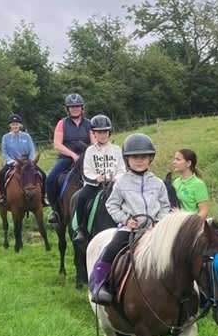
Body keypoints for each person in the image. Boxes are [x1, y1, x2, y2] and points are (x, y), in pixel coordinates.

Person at [88, 133, 173, 305]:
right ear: (127, 159)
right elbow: (112, 205)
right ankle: (98, 284)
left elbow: (165, 206)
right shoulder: (121, 183)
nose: (139, 160)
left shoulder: (158, 183)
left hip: (154, 231)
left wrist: (159, 221)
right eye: (134, 157)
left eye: (143, 157)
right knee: (111, 248)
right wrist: (126, 220)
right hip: (130, 230)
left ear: (150, 158)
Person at [70, 114, 124, 244]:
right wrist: (96, 178)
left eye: (105, 132)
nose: (103, 135)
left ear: (109, 132)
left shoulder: (116, 149)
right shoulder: (90, 151)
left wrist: (116, 178)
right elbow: (87, 171)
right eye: (99, 132)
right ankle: (81, 229)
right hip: (94, 185)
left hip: (114, 184)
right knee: (81, 198)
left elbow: (122, 169)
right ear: (94, 133)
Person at [45, 92, 91, 215]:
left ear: (82, 108)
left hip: (86, 159)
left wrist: (85, 155)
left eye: (77, 106)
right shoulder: (62, 123)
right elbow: (57, 144)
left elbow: (94, 143)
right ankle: (55, 210)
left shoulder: (89, 124)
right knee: (50, 179)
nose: (75, 109)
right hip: (66, 158)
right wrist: (72, 155)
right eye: (72, 107)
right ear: (68, 109)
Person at [0, 114, 38, 206]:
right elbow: (4, 153)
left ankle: (43, 197)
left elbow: (32, 150)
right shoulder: (5, 137)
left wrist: (30, 162)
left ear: (20, 125)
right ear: (10, 126)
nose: (15, 126)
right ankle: (3, 197)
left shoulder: (27, 136)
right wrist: (12, 162)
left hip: (27, 163)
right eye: (13, 124)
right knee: (1, 174)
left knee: (42, 174)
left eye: (16, 124)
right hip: (13, 163)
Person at [170, 148, 210, 217]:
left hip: (191, 224)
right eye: (174, 159)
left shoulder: (198, 184)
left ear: (188, 163)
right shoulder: (175, 182)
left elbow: (204, 211)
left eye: (178, 159)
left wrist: (192, 224)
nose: (174, 162)